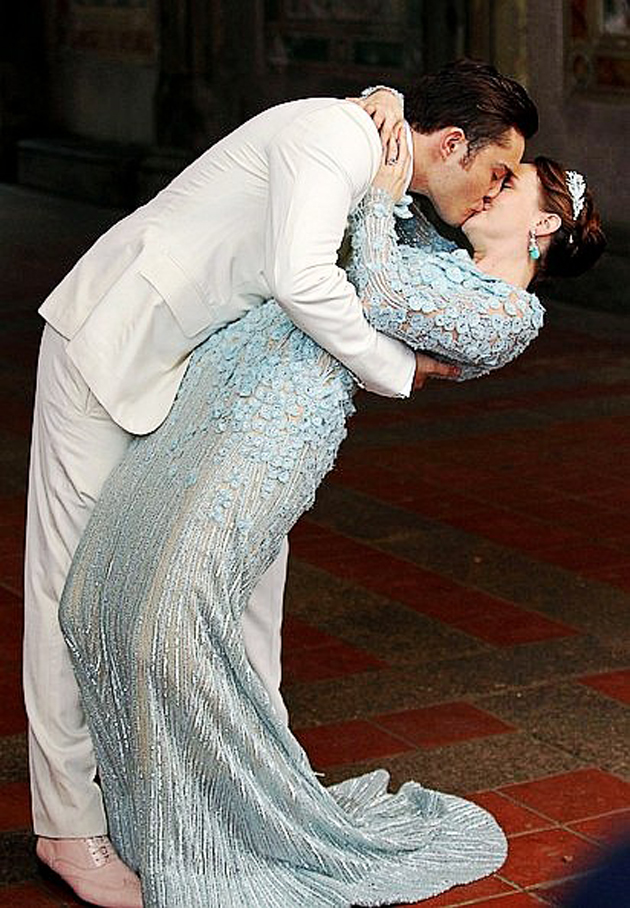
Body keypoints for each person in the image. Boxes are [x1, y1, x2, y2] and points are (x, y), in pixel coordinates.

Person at [24, 59, 539, 907]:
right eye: (497, 169)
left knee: (249, 584)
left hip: (204, 385)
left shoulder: (378, 154)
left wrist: (388, 101)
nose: (497, 189)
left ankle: (257, 793)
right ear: (452, 144)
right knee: (71, 586)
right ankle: (69, 827)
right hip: (114, 343)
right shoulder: (334, 136)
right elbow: (304, 278)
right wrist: (399, 370)